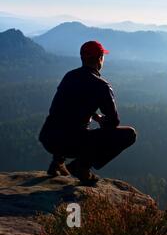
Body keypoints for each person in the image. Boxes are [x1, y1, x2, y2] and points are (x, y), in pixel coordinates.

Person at [39, 40, 137, 185]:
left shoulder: (69, 76)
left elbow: (62, 109)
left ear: (82, 58)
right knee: (130, 134)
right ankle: (82, 166)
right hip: (72, 144)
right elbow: (114, 121)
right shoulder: (101, 85)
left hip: (48, 138)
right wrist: (102, 122)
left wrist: (94, 115)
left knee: (65, 123)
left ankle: (57, 163)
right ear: (100, 58)